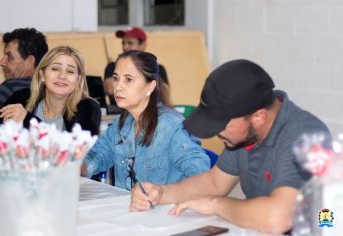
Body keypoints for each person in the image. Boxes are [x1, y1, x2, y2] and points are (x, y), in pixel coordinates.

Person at [129, 59, 330, 234]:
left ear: (259, 117)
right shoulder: (246, 133)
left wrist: (215, 204)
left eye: (221, 125)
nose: (217, 133)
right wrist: (161, 193)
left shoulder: (305, 136)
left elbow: (278, 218)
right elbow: (214, 183)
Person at [81, 50, 210, 190]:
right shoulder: (120, 123)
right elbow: (98, 156)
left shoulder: (172, 126)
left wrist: (164, 194)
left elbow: (200, 176)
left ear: (150, 86)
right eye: (116, 78)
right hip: (129, 208)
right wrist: (76, 168)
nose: (118, 87)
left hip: (166, 209)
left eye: (128, 79)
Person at [0, 46, 101, 135]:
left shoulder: (88, 108)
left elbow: (76, 150)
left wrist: (28, 120)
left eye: (70, 71)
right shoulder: (21, 98)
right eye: (55, 69)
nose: (62, 76)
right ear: (42, 75)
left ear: (78, 79)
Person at [103, 27, 171, 114]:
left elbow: (163, 93)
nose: (125, 47)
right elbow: (110, 89)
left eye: (130, 43)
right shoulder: (112, 66)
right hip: (119, 115)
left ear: (143, 45)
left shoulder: (158, 68)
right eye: (123, 43)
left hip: (151, 114)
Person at [0, 27, 48, 120]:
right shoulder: (52, 91)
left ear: (29, 62)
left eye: (9, 56)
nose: (1, 62)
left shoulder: (11, 87)